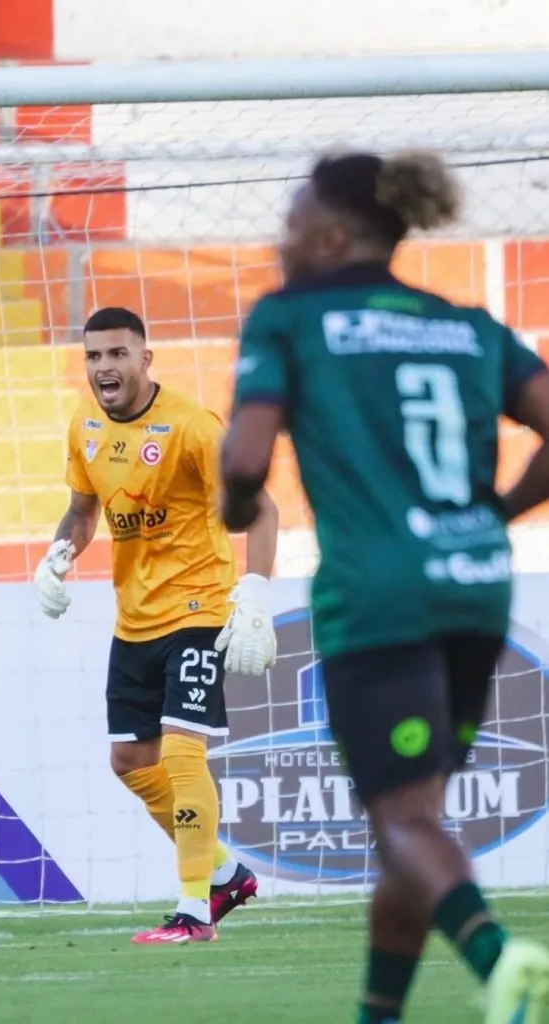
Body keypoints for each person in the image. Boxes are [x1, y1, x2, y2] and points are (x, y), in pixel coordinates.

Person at [220, 151, 549, 1021]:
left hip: (376, 598)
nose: (278, 236)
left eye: (290, 218)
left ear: (328, 235)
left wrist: (231, 499)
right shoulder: (468, 327)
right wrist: (499, 511)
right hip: (476, 590)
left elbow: (246, 457)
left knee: (403, 818)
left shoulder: (290, 318)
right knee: (409, 826)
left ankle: (496, 957)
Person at [34, 305, 279, 944]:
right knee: (130, 760)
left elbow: (264, 510)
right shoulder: (84, 425)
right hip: (134, 619)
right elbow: (83, 507)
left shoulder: (193, 428)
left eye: (118, 354)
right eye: (94, 356)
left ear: (146, 358)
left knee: (180, 749)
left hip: (197, 609)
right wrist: (59, 553)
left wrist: (251, 598)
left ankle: (195, 910)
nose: (104, 367)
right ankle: (225, 873)